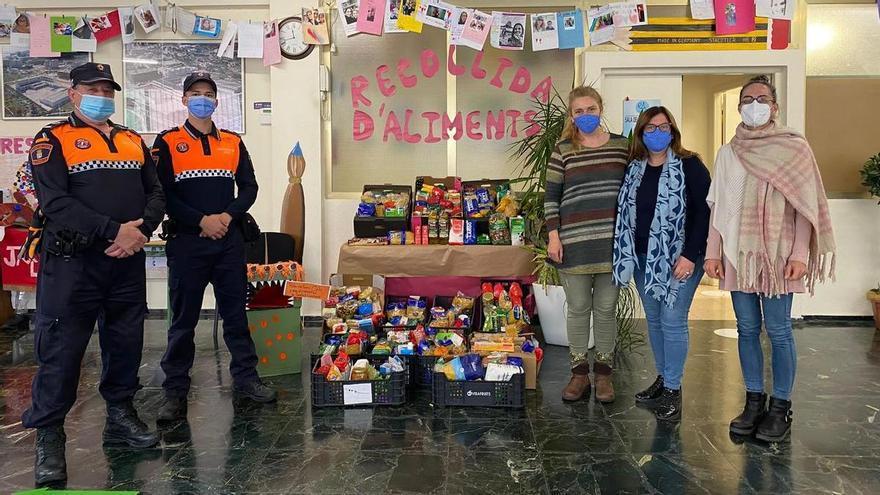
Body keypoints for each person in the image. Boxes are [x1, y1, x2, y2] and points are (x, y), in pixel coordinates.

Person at [22, 62, 165, 487]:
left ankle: (120, 414)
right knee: (61, 352)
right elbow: (55, 202)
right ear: (73, 93)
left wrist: (140, 232)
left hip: (126, 261)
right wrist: (112, 230)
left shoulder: (132, 139)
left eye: (108, 88)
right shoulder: (52, 140)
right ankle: (49, 438)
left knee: (125, 341)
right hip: (73, 264)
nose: (102, 94)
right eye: (93, 87)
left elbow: (155, 191)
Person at [705, 75, 836, 442]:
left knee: (778, 331)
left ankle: (780, 407)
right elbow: (719, 207)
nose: (754, 105)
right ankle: (753, 401)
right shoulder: (728, 152)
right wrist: (712, 253)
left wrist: (799, 255)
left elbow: (804, 208)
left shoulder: (795, 148)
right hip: (740, 256)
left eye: (761, 98)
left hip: (779, 257)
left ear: (774, 106)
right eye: (747, 99)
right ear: (739, 107)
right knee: (746, 328)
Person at [152, 72, 275, 423]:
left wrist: (225, 216)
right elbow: (162, 194)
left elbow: (249, 188)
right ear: (184, 100)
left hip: (228, 241)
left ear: (217, 101)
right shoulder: (167, 142)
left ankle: (246, 379)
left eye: (208, 94)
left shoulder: (232, 142)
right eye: (195, 93)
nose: (202, 99)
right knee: (183, 321)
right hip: (187, 243)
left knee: (236, 316)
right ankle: (174, 391)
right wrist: (200, 221)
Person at [612, 107, 711, 421]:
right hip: (642, 259)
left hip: (680, 258)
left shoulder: (690, 165)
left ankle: (673, 389)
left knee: (672, 318)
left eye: (663, 127)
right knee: (654, 319)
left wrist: (689, 255)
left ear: (673, 131)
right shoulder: (634, 168)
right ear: (640, 134)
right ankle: (663, 378)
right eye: (650, 128)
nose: (657, 133)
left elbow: (705, 212)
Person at [545, 86, 629, 403]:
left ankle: (604, 376)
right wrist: (554, 236)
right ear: (571, 115)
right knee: (578, 310)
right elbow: (551, 197)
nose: (585, 115)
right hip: (573, 245)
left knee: (606, 311)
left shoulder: (622, 146)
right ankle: (579, 374)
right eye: (578, 111)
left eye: (590, 109)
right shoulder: (563, 150)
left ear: (601, 108)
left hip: (613, 246)